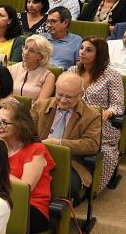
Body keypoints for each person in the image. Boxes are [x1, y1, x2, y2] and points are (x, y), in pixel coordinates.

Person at [31, 73, 102, 206]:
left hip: (70, 163)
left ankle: (54, 212)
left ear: (81, 94)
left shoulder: (92, 115)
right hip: (37, 157)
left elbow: (92, 144)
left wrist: (60, 143)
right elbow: (28, 132)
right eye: (59, 94)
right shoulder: (40, 106)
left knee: (64, 185)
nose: (63, 100)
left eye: (69, 97)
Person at [68, 36, 124, 189]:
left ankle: (92, 186)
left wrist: (106, 113)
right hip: (73, 120)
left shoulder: (112, 76)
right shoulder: (72, 71)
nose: (82, 52)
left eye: (89, 50)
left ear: (99, 54)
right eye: (81, 48)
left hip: (99, 123)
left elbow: (118, 106)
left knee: (105, 151)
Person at [0, 100, 55, 233]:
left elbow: (25, 188)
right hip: (0, 201)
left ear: (20, 125)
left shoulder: (36, 149)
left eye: (5, 122)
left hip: (31, 208)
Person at [8, 34, 56, 100]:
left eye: (31, 51)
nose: (26, 53)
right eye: (25, 48)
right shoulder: (10, 69)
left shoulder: (48, 77)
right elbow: (3, 96)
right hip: (9, 105)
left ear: (41, 56)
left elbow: (40, 103)